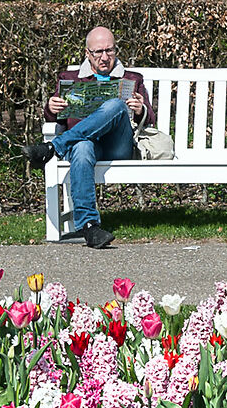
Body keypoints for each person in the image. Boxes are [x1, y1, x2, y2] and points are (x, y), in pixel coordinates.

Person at [28, 26, 149, 248]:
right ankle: (90, 228)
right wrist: (51, 109)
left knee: (115, 105)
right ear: (87, 53)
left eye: (110, 51)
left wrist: (140, 110)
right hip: (86, 145)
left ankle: (52, 148)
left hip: (118, 145)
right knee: (82, 148)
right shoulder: (70, 79)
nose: (105, 57)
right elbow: (59, 120)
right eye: (98, 52)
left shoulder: (132, 78)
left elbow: (150, 119)